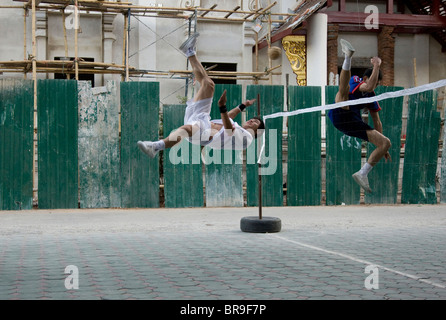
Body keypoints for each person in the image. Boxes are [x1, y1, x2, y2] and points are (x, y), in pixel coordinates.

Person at [138, 33, 264, 158]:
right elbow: (228, 118)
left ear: (257, 131)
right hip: (204, 120)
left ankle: (154, 147)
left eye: (255, 122)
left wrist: (222, 106)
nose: (252, 120)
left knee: (186, 129)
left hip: (204, 134)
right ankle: (189, 51)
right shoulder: (239, 128)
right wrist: (242, 106)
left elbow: (228, 130)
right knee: (208, 84)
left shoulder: (247, 139)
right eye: (253, 119)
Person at [327, 39, 391, 193]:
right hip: (340, 112)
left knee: (386, 142)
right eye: (374, 83)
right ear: (366, 78)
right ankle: (347, 57)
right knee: (343, 93)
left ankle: (362, 173)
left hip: (352, 122)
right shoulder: (357, 81)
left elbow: (377, 121)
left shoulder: (372, 97)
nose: (375, 87)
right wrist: (376, 64)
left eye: (377, 85)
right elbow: (368, 86)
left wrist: (382, 147)